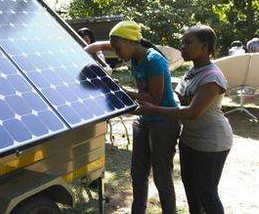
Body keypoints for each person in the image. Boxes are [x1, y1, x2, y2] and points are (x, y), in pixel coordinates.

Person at [135, 25, 233, 214]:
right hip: (189, 139)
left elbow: (192, 112)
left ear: (204, 47)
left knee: (207, 193)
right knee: (191, 191)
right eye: (182, 42)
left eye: (188, 43)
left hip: (212, 144)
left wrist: (155, 109)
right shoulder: (191, 72)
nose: (182, 47)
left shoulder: (212, 77)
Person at [86, 20, 180, 214]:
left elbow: (154, 98)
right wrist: (97, 46)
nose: (117, 53)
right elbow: (93, 47)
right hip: (145, 120)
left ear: (131, 42)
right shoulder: (133, 54)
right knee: (138, 174)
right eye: (114, 49)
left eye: (118, 48)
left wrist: (122, 91)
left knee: (162, 177)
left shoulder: (154, 60)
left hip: (163, 122)